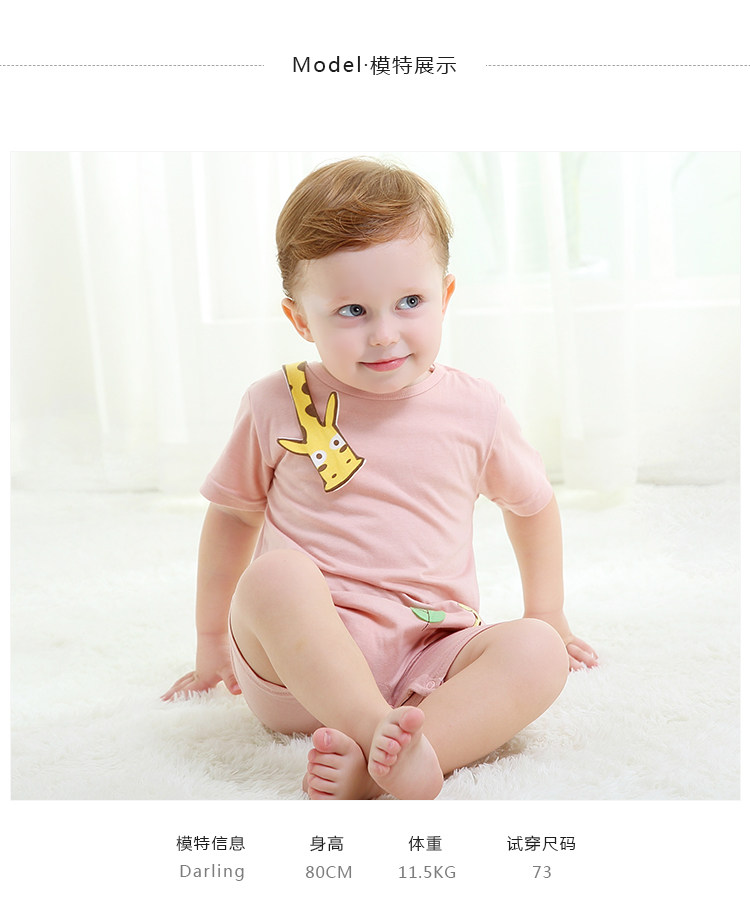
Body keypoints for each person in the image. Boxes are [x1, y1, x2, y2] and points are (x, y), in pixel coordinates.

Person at [162, 157, 598, 800]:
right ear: (300, 321)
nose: (385, 334)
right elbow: (231, 517)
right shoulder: (276, 403)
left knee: (537, 652)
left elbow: (532, 506)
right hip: (301, 670)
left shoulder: (476, 409)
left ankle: (389, 765)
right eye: (352, 311)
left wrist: (549, 614)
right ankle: (377, 734)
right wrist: (209, 646)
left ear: (445, 295)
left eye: (410, 303)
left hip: (430, 656)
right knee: (275, 576)